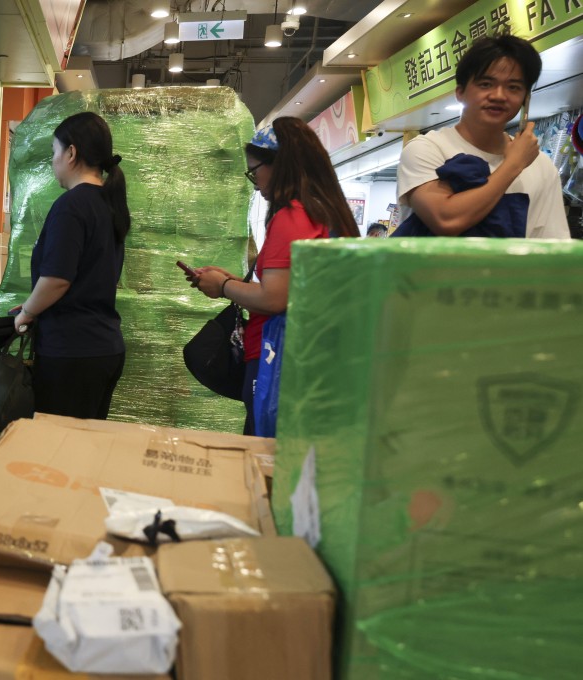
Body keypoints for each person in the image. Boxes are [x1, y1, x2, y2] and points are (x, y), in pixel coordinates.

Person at [189, 117, 359, 435]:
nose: (255, 183)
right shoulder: (325, 213)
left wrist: (224, 287)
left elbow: (274, 298)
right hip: (313, 357)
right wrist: (239, 283)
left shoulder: (293, 216)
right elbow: (292, 290)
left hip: (279, 360)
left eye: (255, 171)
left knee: (266, 457)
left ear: (280, 165)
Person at [12, 112, 130, 420]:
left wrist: (28, 313)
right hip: (104, 348)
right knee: (83, 447)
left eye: (54, 152)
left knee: (58, 452)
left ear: (71, 153)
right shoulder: (108, 202)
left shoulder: (72, 206)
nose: (53, 162)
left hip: (72, 351)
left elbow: (57, 280)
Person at [395, 32, 569, 239]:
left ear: (525, 98)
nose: (499, 96)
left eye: (513, 87)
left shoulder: (541, 166)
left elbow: (552, 245)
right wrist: (513, 165)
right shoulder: (427, 149)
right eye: (486, 84)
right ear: (460, 92)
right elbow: (445, 220)